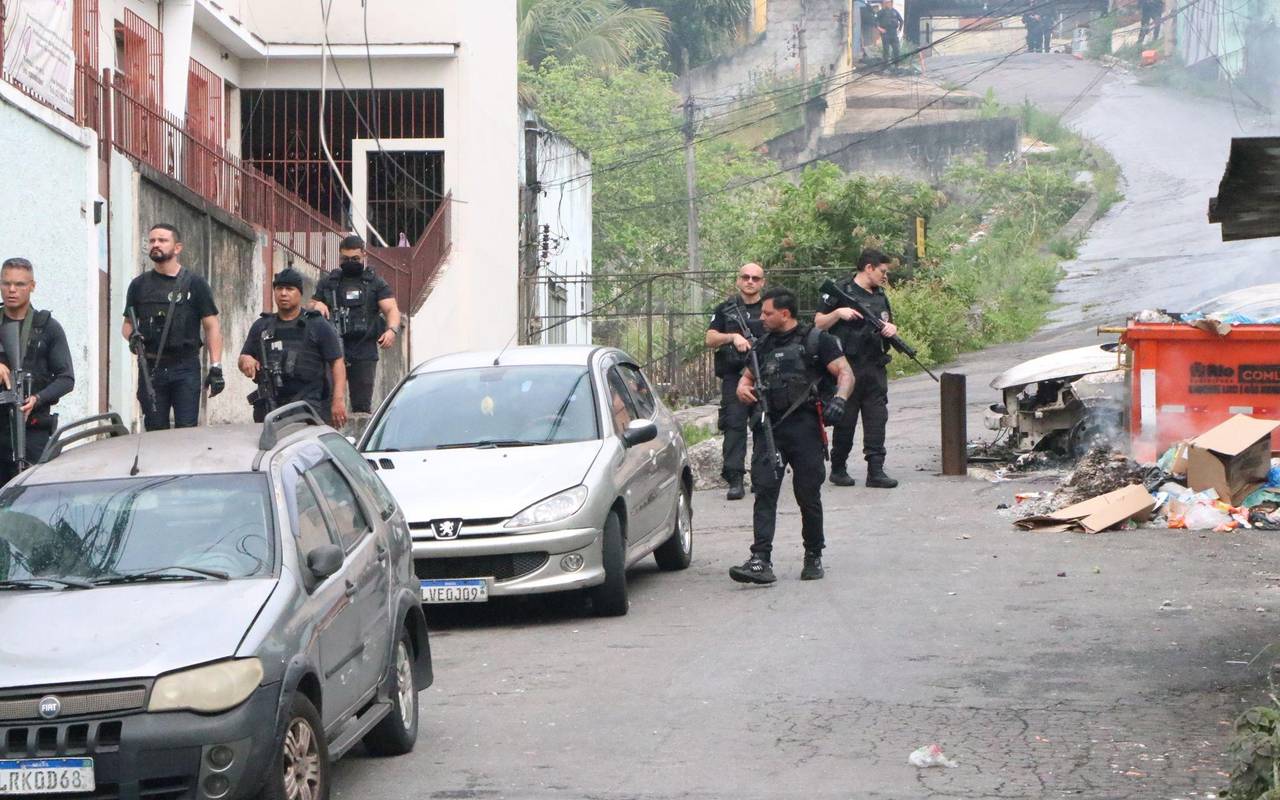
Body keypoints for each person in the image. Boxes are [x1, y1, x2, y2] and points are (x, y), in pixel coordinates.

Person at [729, 288, 853, 585]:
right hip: (769, 427)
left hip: (805, 428)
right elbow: (744, 380)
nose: (762, 317)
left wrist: (840, 400)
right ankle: (760, 559)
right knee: (764, 492)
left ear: (785, 314)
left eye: (767, 313)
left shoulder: (816, 341)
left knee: (808, 494)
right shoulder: (762, 346)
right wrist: (743, 390)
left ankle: (813, 554)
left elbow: (846, 373)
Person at [121, 224, 224, 430]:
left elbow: (212, 326)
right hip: (151, 367)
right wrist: (133, 338)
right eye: (152, 241)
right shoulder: (138, 285)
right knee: (154, 430)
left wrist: (216, 368)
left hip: (185, 366)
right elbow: (127, 325)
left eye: (162, 240)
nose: (155, 244)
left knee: (186, 431)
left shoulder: (195, 284)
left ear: (177, 248)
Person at [815, 248, 900, 490]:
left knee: (877, 419)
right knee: (846, 421)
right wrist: (837, 313)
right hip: (847, 368)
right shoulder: (841, 291)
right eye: (882, 271)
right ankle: (838, 468)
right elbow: (818, 323)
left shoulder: (880, 295)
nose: (885, 276)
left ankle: (876, 470)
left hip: (874, 366)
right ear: (869, 267)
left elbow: (887, 322)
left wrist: (892, 330)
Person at [239, 268, 348, 428]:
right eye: (279, 289)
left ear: (300, 293)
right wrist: (245, 360)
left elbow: (337, 362)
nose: (283, 293)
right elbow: (244, 357)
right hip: (270, 407)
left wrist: (338, 401)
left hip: (308, 408)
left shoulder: (317, 325)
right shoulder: (262, 326)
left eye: (289, 289)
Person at [309, 235, 402, 415]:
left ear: (364, 255)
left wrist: (391, 330)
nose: (350, 262)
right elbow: (309, 306)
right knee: (328, 403)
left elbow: (391, 309)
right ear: (339, 256)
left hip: (364, 349)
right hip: (333, 348)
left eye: (355, 259)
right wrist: (317, 304)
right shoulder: (329, 282)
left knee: (361, 407)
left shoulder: (375, 282)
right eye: (345, 259)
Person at [0, 258, 73, 482]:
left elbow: (66, 378)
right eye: (6, 283)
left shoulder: (48, 327)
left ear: (32, 286)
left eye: (20, 284)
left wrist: (37, 399)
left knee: (30, 492)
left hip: (31, 428)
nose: (12, 290)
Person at [705, 263, 767, 500]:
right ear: (738, 281)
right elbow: (710, 338)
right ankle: (735, 479)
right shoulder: (726, 309)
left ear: (762, 282)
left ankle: (762, 476)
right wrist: (732, 337)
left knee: (764, 424)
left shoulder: (769, 308)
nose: (750, 281)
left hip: (763, 375)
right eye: (745, 277)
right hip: (734, 375)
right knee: (734, 426)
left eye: (755, 278)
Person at [877, 0, 904, 67]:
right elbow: (874, 22)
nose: (887, 4)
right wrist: (880, 29)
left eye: (888, 2)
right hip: (885, 33)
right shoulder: (881, 12)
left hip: (894, 33)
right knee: (886, 51)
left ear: (891, 3)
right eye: (885, 2)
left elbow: (901, 21)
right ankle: (885, 67)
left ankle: (896, 66)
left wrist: (899, 30)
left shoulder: (895, 11)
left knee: (896, 50)